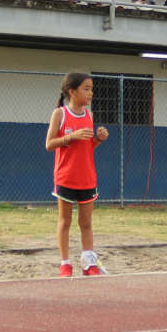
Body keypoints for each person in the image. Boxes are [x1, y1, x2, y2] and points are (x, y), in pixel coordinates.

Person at [46, 73, 110, 277]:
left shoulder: (89, 115)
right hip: (66, 177)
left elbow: (87, 148)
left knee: (86, 223)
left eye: (91, 88)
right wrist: (71, 136)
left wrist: (99, 139)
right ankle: (65, 264)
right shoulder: (60, 114)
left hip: (87, 177)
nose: (90, 93)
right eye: (86, 88)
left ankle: (88, 262)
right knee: (65, 221)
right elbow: (49, 144)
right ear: (72, 92)